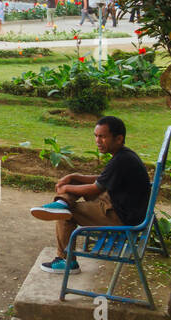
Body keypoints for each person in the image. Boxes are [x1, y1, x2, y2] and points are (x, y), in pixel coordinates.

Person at [30, 116, 152, 274]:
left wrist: (66, 187)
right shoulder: (124, 155)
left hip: (122, 217)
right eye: (96, 136)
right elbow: (102, 180)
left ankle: (67, 261)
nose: (97, 141)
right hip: (121, 206)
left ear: (119, 138)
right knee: (74, 184)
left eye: (102, 136)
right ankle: (62, 203)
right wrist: (75, 177)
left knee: (66, 215)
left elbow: (95, 189)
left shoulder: (121, 160)